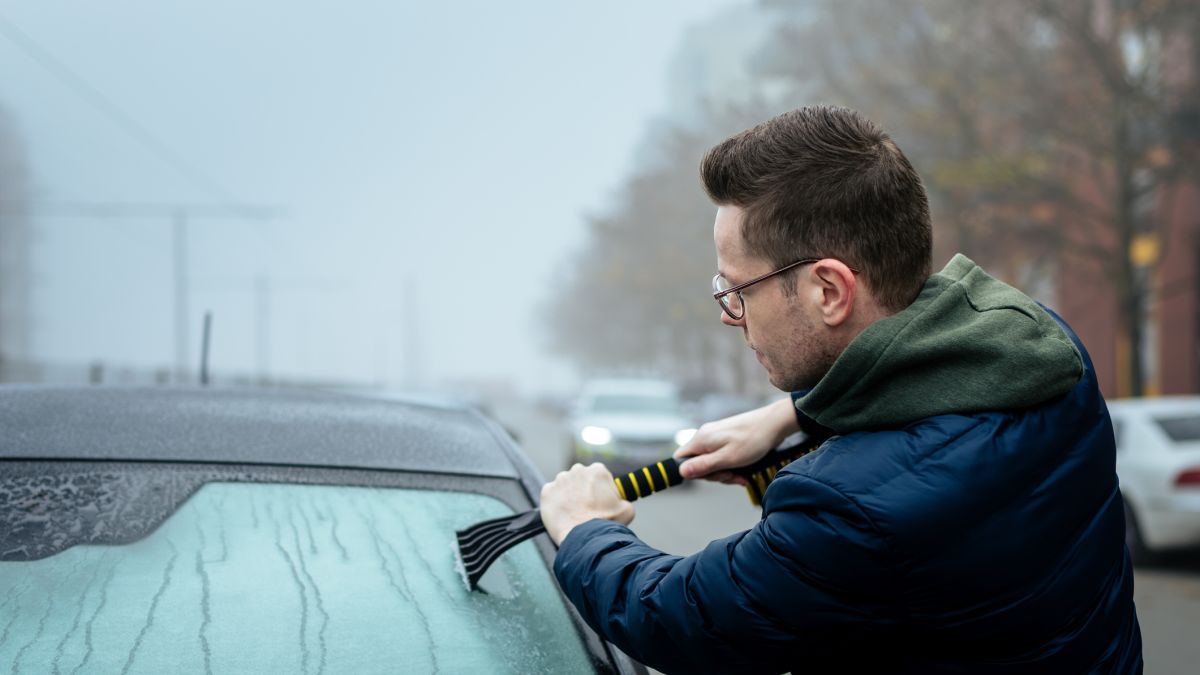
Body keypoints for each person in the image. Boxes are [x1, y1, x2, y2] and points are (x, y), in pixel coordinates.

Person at [539, 105, 1142, 674]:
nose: (729, 314)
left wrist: (587, 528)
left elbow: (681, 618)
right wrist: (794, 417)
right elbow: (924, 392)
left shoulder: (847, 508)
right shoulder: (1046, 354)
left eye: (738, 290)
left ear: (829, 290)